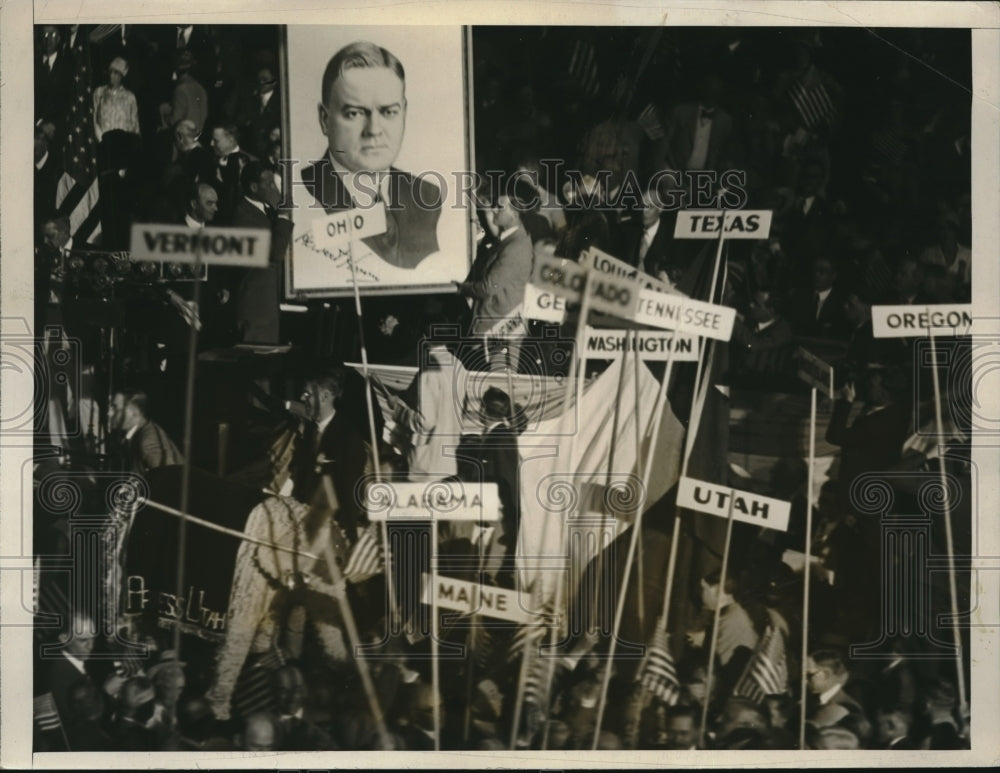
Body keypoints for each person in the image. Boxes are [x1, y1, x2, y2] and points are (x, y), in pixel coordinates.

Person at [298, 40, 442, 269]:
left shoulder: (428, 197)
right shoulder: (301, 194)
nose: (374, 129)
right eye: (355, 113)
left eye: (389, 112)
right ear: (325, 120)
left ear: (404, 112)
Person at [456, 189, 534, 368]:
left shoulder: (514, 247)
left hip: (499, 327)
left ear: (515, 213)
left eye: (500, 207)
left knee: (497, 383)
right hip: (498, 325)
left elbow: (488, 287)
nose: (494, 210)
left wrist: (462, 288)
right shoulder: (511, 239)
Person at [231, 160, 294, 343]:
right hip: (256, 309)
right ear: (253, 187)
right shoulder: (243, 216)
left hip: (269, 305)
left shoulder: (266, 211)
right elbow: (274, 253)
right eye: (268, 184)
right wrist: (283, 216)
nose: (275, 189)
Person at [108, 390, 183, 475]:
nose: (109, 413)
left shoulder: (147, 442)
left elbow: (167, 478)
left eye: (115, 407)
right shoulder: (139, 432)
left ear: (134, 412)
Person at [804, 649, 871, 739]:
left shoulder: (848, 708)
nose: (804, 681)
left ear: (826, 674)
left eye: (809, 675)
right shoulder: (813, 700)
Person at [93, 57, 140, 143]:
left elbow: (134, 125)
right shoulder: (99, 93)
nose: (111, 75)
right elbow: (94, 117)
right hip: (103, 142)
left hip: (123, 144)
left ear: (121, 76)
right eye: (110, 72)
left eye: (115, 73)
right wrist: (101, 139)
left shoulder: (129, 97)